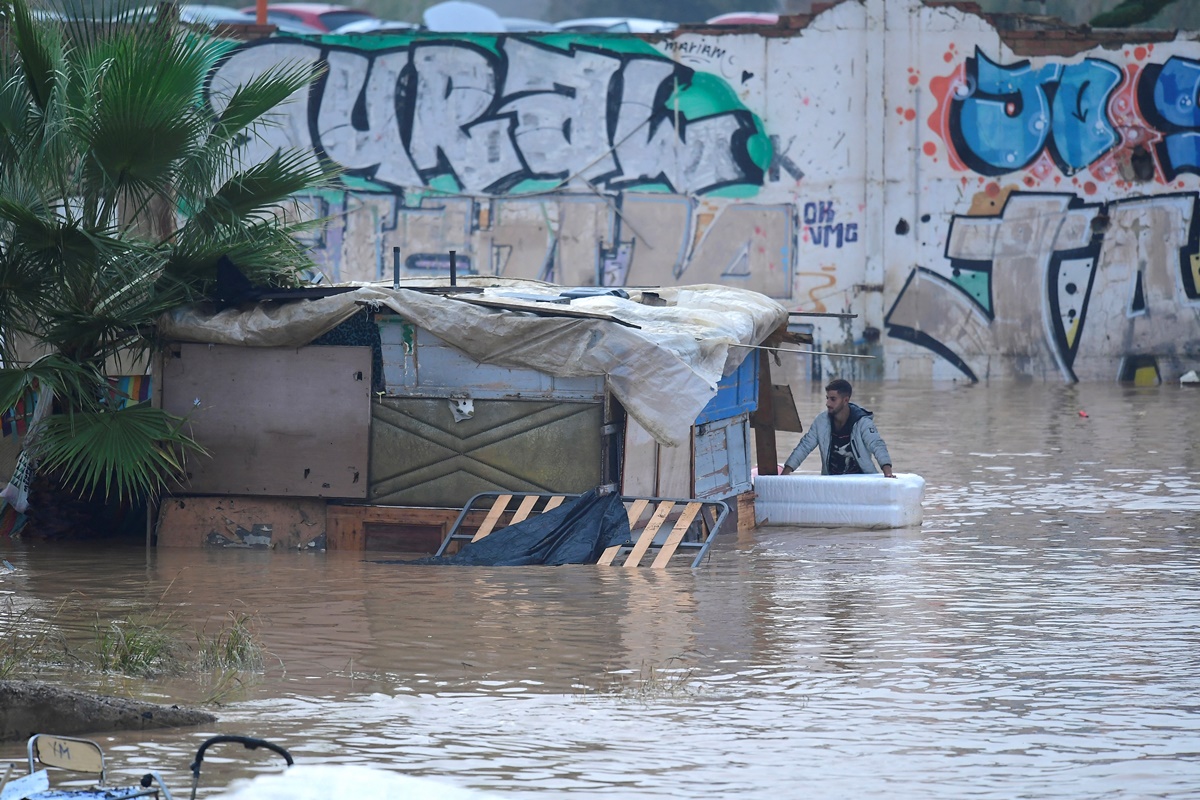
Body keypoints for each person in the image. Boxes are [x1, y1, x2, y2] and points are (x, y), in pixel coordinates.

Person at [780, 379, 895, 477]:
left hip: (861, 479)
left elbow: (877, 445)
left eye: (833, 399)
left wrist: (888, 473)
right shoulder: (821, 421)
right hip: (832, 481)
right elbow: (804, 447)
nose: (828, 403)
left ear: (845, 400)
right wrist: (785, 474)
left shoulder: (862, 422)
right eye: (827, 398)